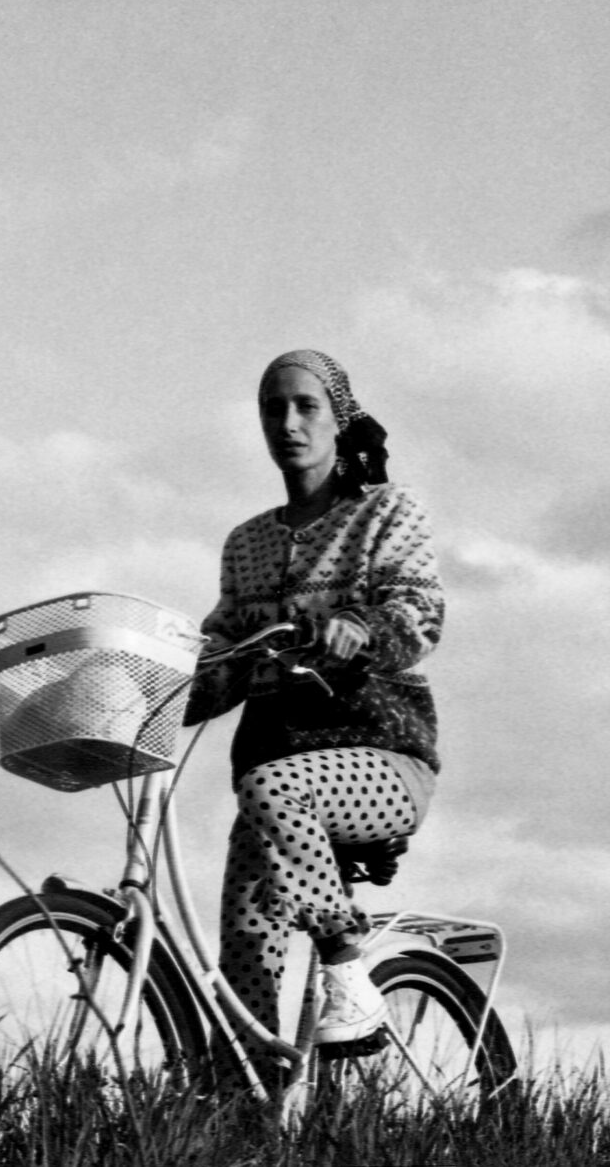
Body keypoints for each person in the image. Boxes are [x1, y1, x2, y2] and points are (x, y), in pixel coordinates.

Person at [184, 348, 443, 1047]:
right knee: (245, 943)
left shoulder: (385, 511)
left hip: (382, 757)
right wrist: (149, 686)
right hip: (272, 776)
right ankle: (239, 1099)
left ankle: (347, 973)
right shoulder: (246, 544)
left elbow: (419, 613)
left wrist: (361, 628)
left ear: (339, 419)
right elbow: (220, 654)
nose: (288, 423)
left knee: (271, 788)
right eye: (273, 408)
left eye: (306, 406)